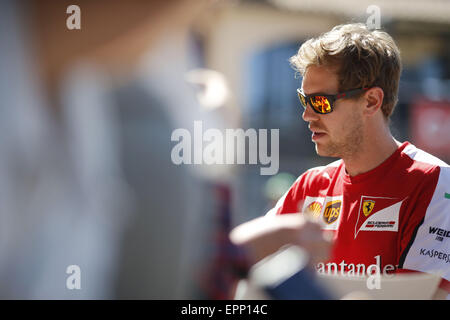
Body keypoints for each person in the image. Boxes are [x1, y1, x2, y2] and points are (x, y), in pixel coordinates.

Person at [265, 23, 450, 299]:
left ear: (371, 101)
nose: (307, 115)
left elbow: (419, 296)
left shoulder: (436, 182)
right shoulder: (309, 186)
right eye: (304, 99)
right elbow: (251, 273)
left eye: (321, 103)